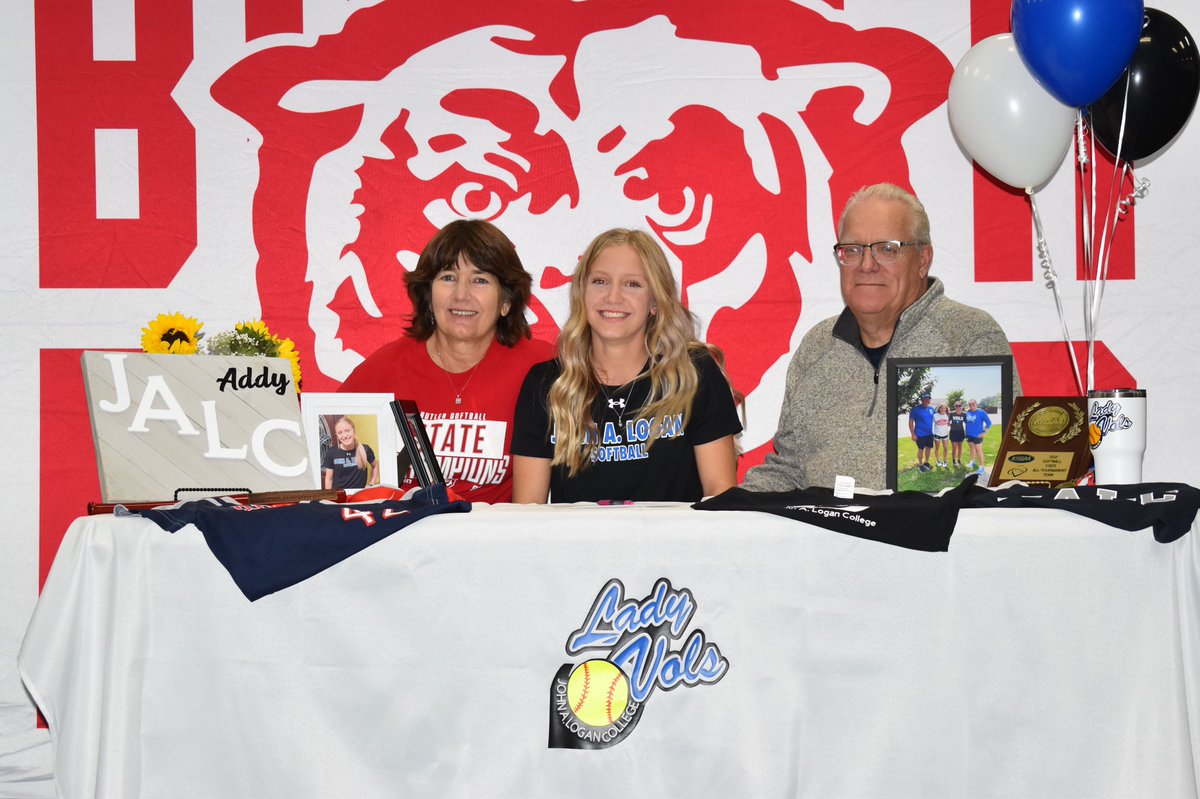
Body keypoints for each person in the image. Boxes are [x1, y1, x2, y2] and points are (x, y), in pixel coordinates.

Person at [741, 182, 1020, 491]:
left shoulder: (969, 335)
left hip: (928, 538)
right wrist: (723, 512)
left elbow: (1014, 472)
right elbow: (790, 469)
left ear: (923, 260)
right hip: (825, 536)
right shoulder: (817, 346)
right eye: (853, 250)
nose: (867, 265)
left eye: (887, 249)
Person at [511, 229, 742, 503]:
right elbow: (527, 513)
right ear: (581, 294)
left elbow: (721, 497)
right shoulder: (547, 384)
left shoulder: (694, 374)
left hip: (675, 546)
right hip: (577, 546)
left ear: (655, 302)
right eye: (600, 281)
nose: (613, 297)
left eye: (632, 284)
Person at [339, 219, 554, 503]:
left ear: (506, 301)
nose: (461, 294)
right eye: (448, 277)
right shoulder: (383, 370)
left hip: (496, 542)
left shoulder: (542, 367)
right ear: (428, 295)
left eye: (480, 280)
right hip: (402, 540)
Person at [321, 416, 379, 490]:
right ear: (337, 435)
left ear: (353, 431)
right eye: (340, 433)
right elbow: (329, 478)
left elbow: (375, 466)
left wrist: (371, 485)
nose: (344, 435)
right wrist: (328, 497)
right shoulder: (332, 452)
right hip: (340, 496)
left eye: (347, 430)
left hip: (358, 496)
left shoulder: (365, 449)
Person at [964, 399, 993, 476]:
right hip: (969, 434)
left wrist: (985, 432)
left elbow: (989, 423)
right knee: (972, 448)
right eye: (969, 404)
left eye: (973, 403)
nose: (971, 405)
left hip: (977, 435)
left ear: (976, 404)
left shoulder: (981, 412)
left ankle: (981, 467)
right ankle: (972, 461)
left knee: (978, 450)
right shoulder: (967, 412)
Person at [908, 393, 935, 472]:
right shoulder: (915, 409)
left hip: (929, 434)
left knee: (929, 449)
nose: (927, 400)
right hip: (920, 435)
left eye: (928, 399)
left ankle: (926, 462)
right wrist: (913, 434)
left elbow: (938, 417)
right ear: (922, 400)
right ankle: (920, 464)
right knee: (921, 449)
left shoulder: (931, 409)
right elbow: (910, 422)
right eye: (925, 399)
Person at [948, 399, 967, 468]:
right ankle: (953, 459)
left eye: (959, 406)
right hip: (953, 432)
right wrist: (950, 425)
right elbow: (947, 422)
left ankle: (959, 459)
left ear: (961, 407)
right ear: (955, 407)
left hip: (961, 432)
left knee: (960, 447)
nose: (958, 407)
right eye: (956, 406)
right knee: (954, 448)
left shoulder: (964, 414)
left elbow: (967, 423)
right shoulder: (951, 414)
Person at [932, 402, 951, 468]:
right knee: (937, 448)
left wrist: (948, 423)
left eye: (944, 408)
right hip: (937, 434)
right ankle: (937, 460)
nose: (943, 409)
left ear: (946, 409)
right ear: (939, 408)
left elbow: (947, 423)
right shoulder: (935, 415)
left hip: (945, 434)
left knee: (945, 448)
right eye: (942, 408)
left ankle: (944, 460)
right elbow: (937, 423)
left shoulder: (947, 415)